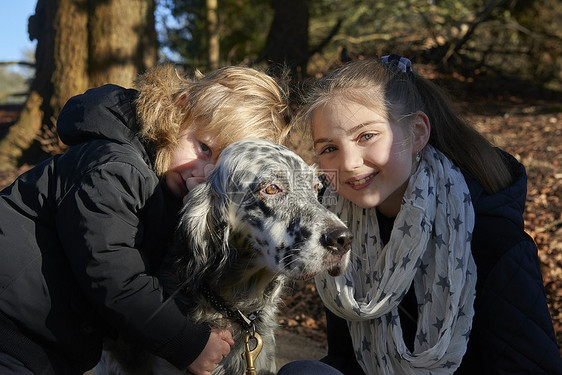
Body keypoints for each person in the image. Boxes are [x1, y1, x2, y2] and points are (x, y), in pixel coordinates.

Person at [278, 55, 562, 374]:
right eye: (329, 148)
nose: (348, 163)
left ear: (416, 133)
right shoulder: (340, 233)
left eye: (366, 136)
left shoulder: (490, 239)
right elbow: (348, 359)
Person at [0, 64, 291, 375]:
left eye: (219, 169)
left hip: (46, 339)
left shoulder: (166, 183)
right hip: (10, 324)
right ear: (180, 111)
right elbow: (113, 274)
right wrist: (186, 341)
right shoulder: (116, 168)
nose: (202, 172)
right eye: (204, 147)